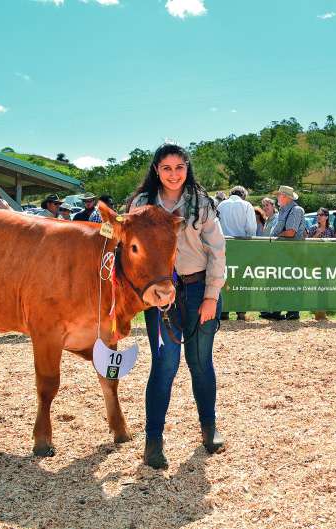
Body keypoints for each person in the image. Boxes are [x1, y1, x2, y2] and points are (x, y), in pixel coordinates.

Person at [129, 143, 227, 468]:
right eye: (167, 168)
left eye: (179, 167)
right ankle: (153, 441)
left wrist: (212, 295)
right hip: (160, 294)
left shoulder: (202, 202)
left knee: (200, 362)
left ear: (187, 168)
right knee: (164, 366)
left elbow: (217, 251)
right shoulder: (141, 204)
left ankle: (208, 429)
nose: (174, 174)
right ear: (157, 169)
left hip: (199, 288)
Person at [264, 185, 305, 321]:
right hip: (282, 253)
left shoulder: (296, 210)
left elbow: (291, 232)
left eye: (279, 195)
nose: (277, 198)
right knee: (278, 281)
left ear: (285, 197)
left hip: (291, 253)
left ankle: (292, 311)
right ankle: (276, 310)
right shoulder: (283, 210)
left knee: (291, 282)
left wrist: (277, 237)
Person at [217, 186, 256, 321]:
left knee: (224, 278)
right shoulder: (246, 205)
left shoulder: (221, 205)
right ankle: (240, 311)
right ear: (243, 195)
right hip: (242, 247)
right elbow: (251, 229)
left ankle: (223, 311)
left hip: (223, 247)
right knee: (243, 279)